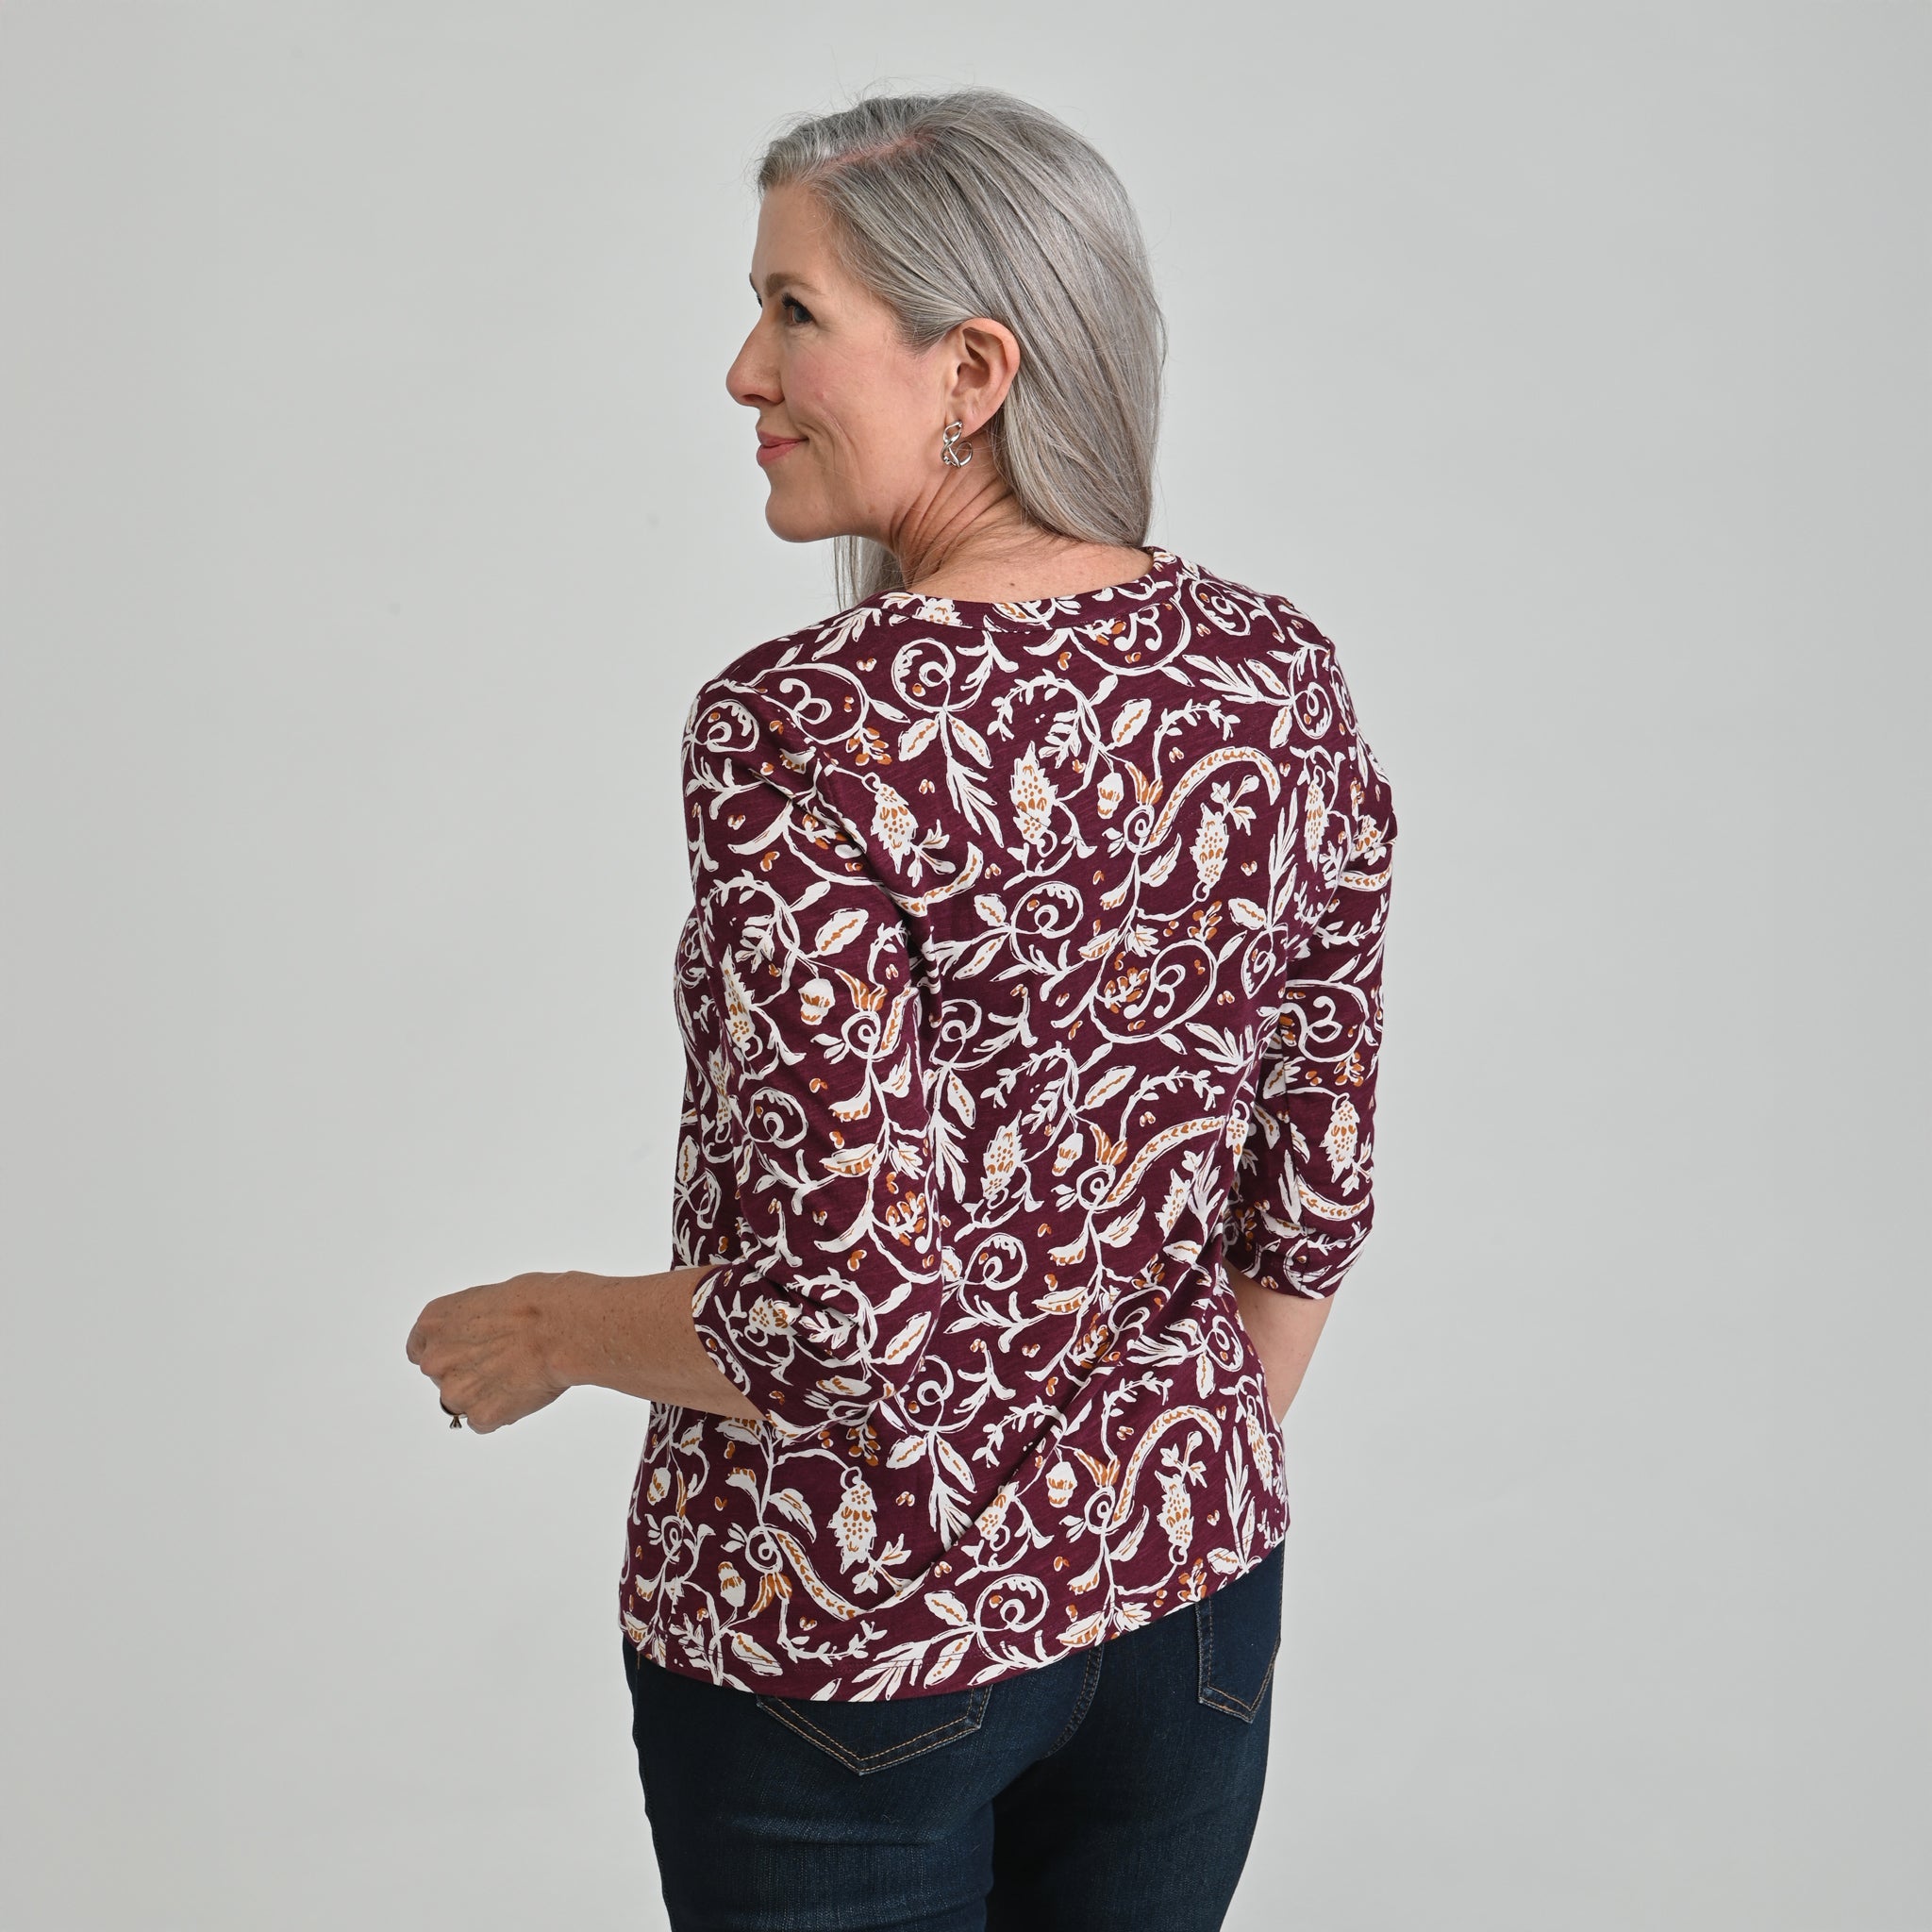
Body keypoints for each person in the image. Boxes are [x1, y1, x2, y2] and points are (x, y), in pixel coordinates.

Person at [406, 87, 1396, 1932]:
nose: (742, 372)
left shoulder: (808, 728)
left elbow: (830, 1317)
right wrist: (1136, 1509)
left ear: (974, 370)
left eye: (794, 312)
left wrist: (549, 1326)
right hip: (1190, 1616)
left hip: (851, 1648)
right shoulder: (1277, 675)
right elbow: (1313, 1192)